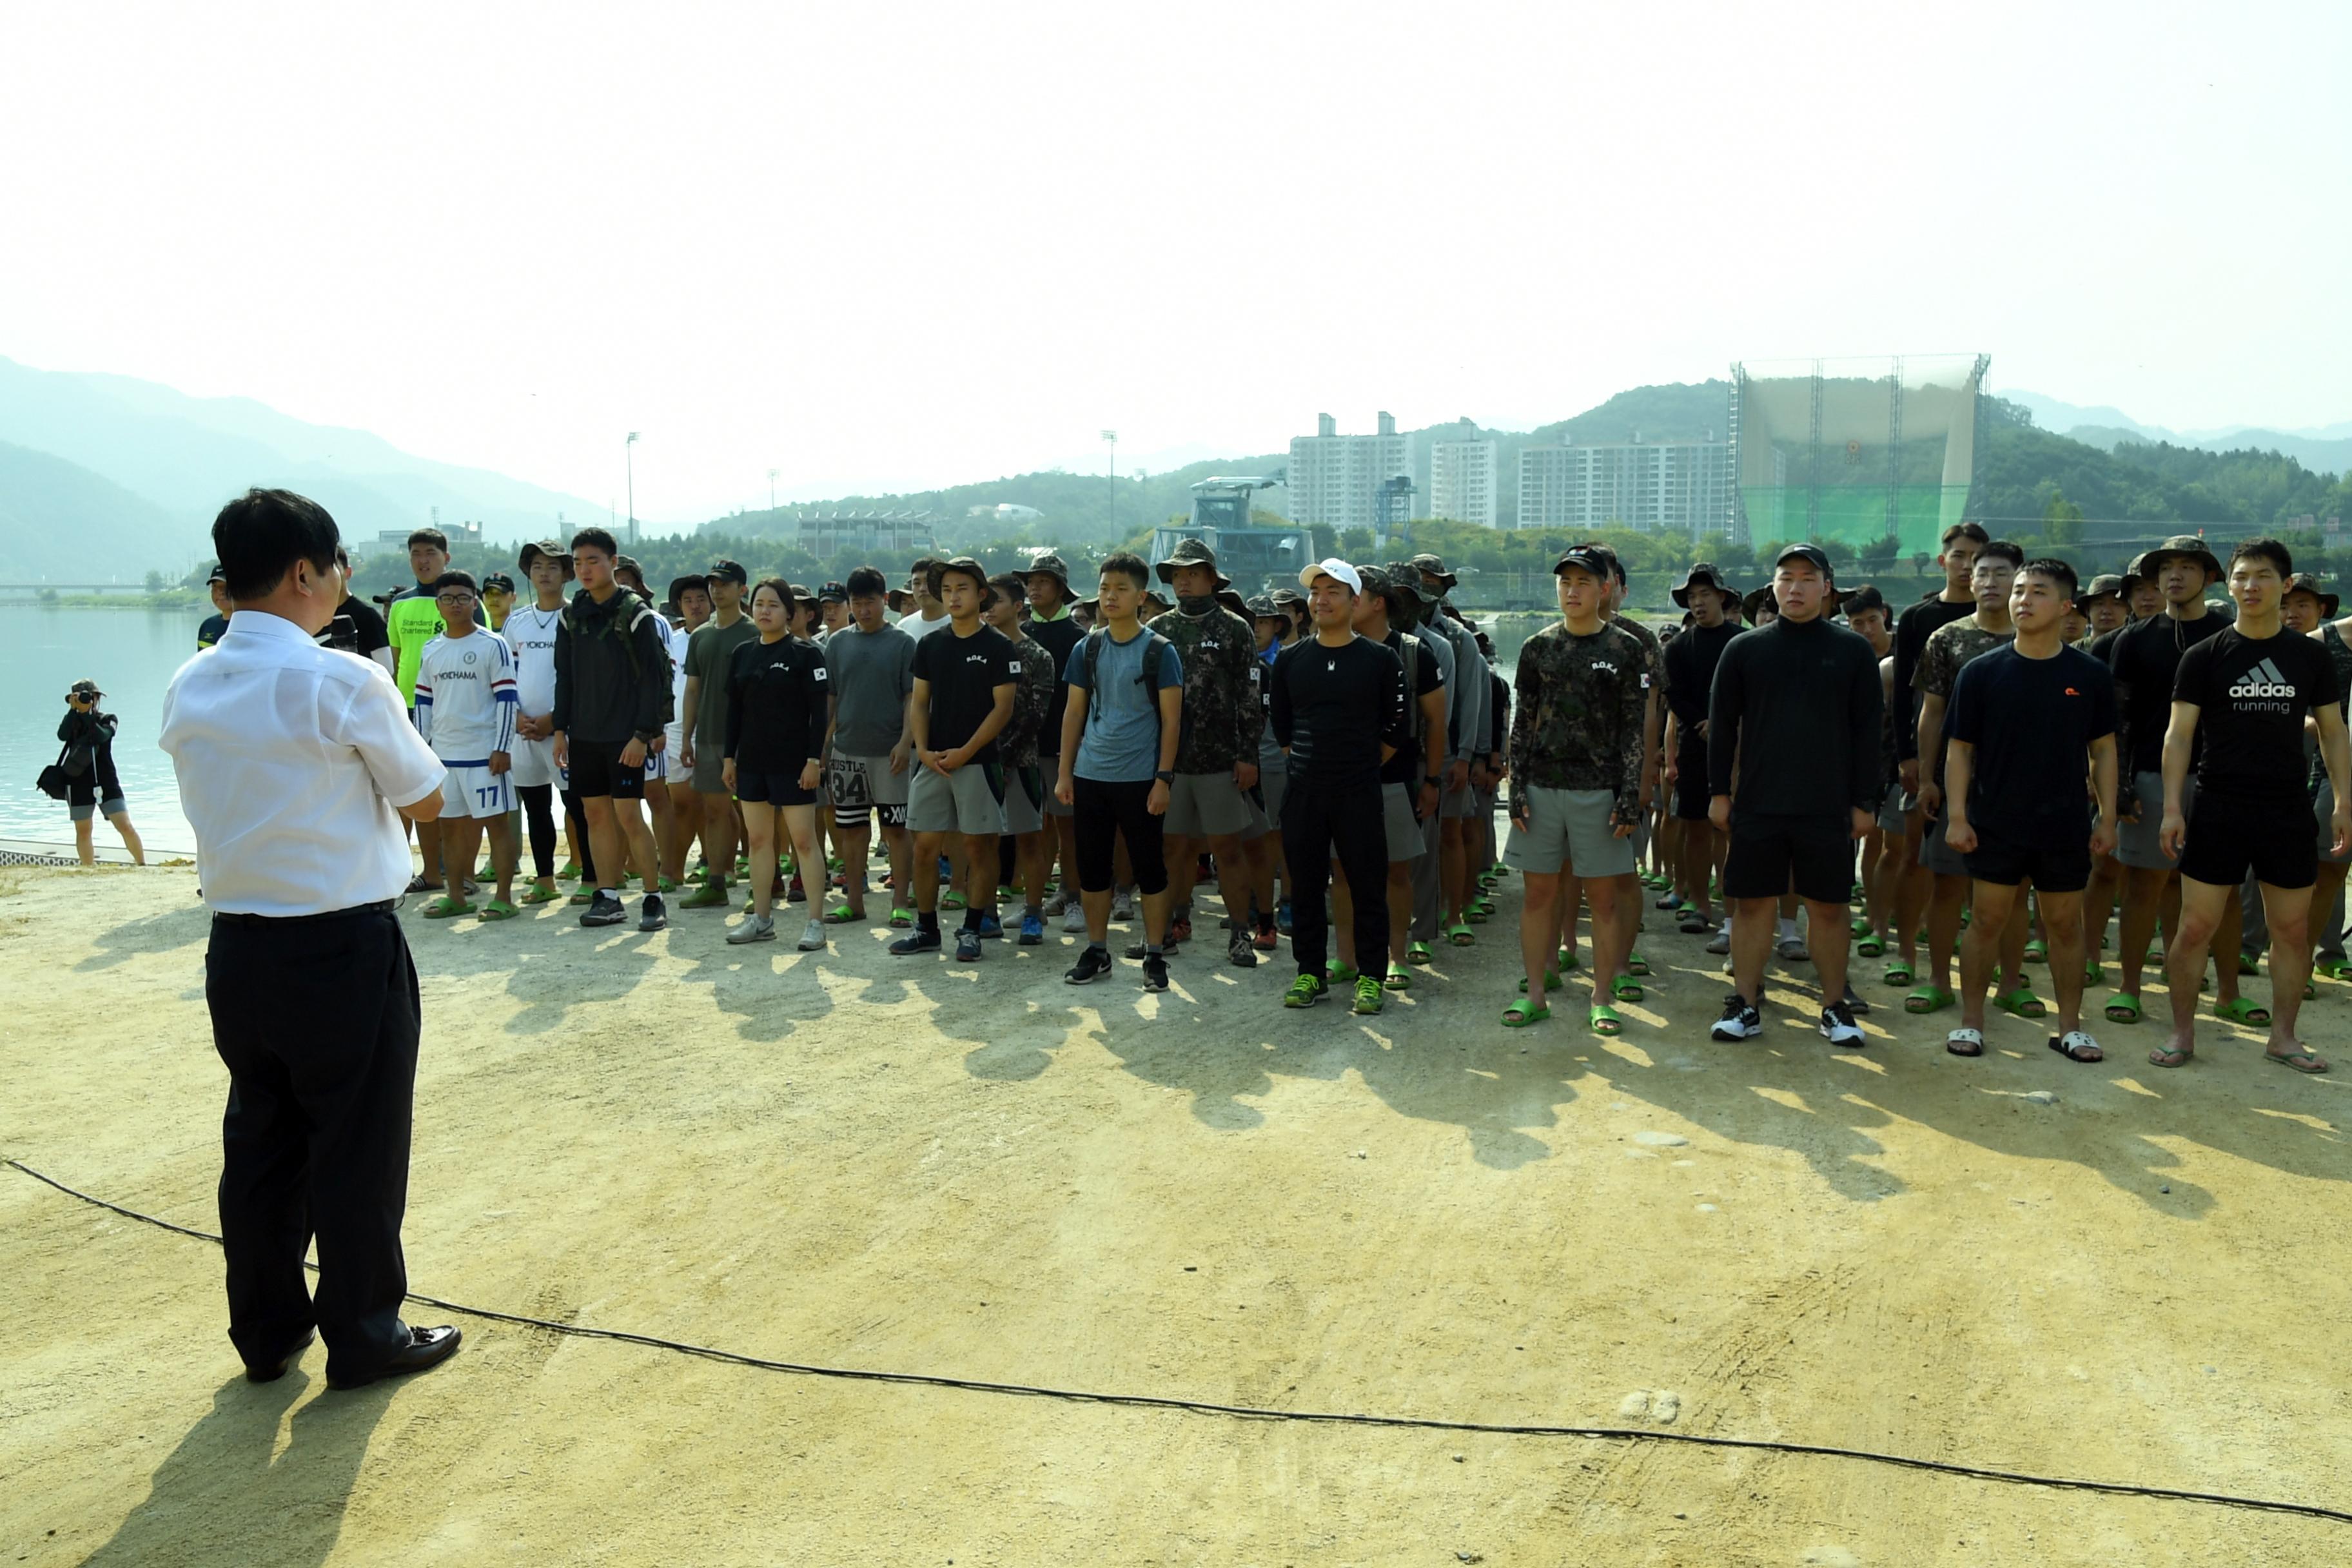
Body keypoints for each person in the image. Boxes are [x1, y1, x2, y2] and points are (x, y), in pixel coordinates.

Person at [158, 487, 461, 1391]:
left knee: (263, 1142)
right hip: (341, 946)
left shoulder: (191, 679)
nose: (339, 583)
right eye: (334, 568)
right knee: (356, 1145)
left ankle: (267, 1331)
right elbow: (426, 796)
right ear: (305, 573)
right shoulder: (340, 678)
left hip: (239, 948)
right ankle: (365, 1334)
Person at [2151, 538, 2351, 1073]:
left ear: (2285, 586)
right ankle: (2182, 1032)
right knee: (2196, 927)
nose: (2251, 586)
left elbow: (2333, 732)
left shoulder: (2309, 655)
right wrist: (2173, 807)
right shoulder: (2205, 655)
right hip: (2218, 805)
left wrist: (2343, 804)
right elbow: (2178, 736)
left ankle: (2284, 1037)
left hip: (2287, 808)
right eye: (2242, 576)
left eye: (2263, 576)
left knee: (2289, 930)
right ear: (2230, 584)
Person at [1940, 560, 2119, 1063]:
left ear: (2065, 607)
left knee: (2064, 926)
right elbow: (1959, 749)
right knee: (1987, 921)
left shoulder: (2088, 675)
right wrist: (1958, 814)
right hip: (1996, 821)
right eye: (2018, 591)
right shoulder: (1981, 673)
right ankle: (1971, 1022)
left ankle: (2070, 1027)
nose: (2022, 599)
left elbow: (2103, 749)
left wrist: (2105, 817)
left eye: (2037, 592)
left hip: (2063, 824)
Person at [1707, 544, 1883, 1047]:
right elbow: (1722, 728)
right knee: (1753, 905)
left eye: (1808, 579)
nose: (1796, 588)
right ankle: (1746, 1003)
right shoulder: (1745, 649)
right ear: (1774, 586)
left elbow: (1868, 730)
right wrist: (1720, 792)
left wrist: (1864, 801)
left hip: (1827, 803)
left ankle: (1833, 1006)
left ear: (1827, 587)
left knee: (1828, 907)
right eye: (1787, 578)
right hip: (1759, 801)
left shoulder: (1851, 651)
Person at [1501, 546, 1649, 1032]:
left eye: (1584, 583)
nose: (1572, 591)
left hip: (1599, 793)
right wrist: (1515, 786)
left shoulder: (1624, 650)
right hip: (1542, 788)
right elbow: (1522, 724)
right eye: (1565, 582)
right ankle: (1537, 994)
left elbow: (1633, 729)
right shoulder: (1538, 647)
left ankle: (1601, 997)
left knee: (1603, 900)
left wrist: (1630, 793)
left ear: (1604, 589)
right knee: (1538, 895)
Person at [2103, 536, 2235, 1028]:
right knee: (2143, 886)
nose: (2175, 576)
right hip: (2152, 778)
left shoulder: (2230, 635)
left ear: (2210, 577)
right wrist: (2117, 787)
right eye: (2166, 569)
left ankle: (2228, 992)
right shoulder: (2133, 640)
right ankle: (2130, 987)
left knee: (2219, 887)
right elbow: (2117, 719)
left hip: (2221, 778)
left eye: (2187, 566)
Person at [1270, 560, 1409, 1015]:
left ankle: (1371, 976)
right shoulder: (1291, 659)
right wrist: (1312, 765)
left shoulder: (1380, 659)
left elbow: (1396, 727)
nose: (1321, 600)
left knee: (1369, 886)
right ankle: (1310, 972)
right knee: (1306, 886)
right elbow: (1283, 727)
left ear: (1355, 601)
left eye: (1333, 591)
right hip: (1305, 792)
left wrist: (1358, 766)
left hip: (1359, 793)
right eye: (1315, 592)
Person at [1057, 552, 1185, 990]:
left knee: (1150, 871)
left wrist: (1163, 779)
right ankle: (1097, 951)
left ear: (1141, 597)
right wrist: (1065, 773)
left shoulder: (1159, 651)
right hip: (1092, 775)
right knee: (1092, 871)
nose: (1110, 596)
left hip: (1141, 779)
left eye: (1121, 589)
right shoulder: (1087, 647)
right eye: (1105, 588)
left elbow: (1172, 721)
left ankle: (1154, 955)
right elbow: (1074, 713)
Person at [1910, 540, 2026, 1017]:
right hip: (1958, 785)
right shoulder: (1947, 639)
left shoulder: (2039, 637)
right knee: (1948, 887)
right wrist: (1927, 778)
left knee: (2016, 892)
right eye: (1984, 573)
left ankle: (2012, 982)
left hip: (2022, 787)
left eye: (2004, 574)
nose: (1992, 583)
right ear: (1969, 580)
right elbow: (1931, 713)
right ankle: (1939, 979)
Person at [893, 557, 1018, 961]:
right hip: (933, 762)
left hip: (979, 763)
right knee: (925, 848)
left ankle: (972, 927)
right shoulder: (930, 644)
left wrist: (965, 752)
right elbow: (919, 701)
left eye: (961, 588)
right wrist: (924, 751)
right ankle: (927, 928)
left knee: (980, 850)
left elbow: (1003, 709)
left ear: (982, 594)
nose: (953, 596)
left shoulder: (999, 646)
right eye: (946, 589)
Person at [1329, 567, 1445, 997]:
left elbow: (1436, 724)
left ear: (1378, 602)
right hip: (1339, 783)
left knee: (1397, 873)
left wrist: (1432, 779)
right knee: (1341, 873)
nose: (1346, 600)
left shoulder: (1414, 654)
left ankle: (1397, 954)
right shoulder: (1331, 648)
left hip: (1395, 780)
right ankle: (1346, 955)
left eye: (1354, 593)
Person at [1146, 540, 1264, 966]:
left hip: (1221, 759)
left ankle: (1239, 934)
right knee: (1173, 850)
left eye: (1193, 572)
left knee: (1228, 850)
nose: (1183, 579)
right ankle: (1172, 925)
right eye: (1177, 573)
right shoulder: (1157, 629)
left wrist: (1247, 753)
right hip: (1170, 765)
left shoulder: (1235, 628)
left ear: (1212, 578)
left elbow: (1250, 696)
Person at [551, 527, 672, 931]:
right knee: (594, 815)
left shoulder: (635, 612)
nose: (585, 570)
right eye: (578, 562)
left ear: (613, 563)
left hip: (625, 737)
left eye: (593, 561)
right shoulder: (571, 615)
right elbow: (563, 677)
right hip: (584, 735)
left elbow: (654, 679)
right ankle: (608, 896)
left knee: (629, 816)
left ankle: (653, 897)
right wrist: (559, 730)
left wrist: (642, 734)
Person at [1888, 522, 1989, 990]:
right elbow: (1905, 699)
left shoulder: (2005, 616)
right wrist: (1908, 757)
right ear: (1942, 560)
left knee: (1978, 872)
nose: (1968, 566)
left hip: (1988, 765)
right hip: (1930, 758)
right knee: (1916, 858)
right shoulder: (1918, 618)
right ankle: (1907, 952)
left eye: (1977, 558)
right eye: (1960, 555)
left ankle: (1977, 960)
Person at [719, 579, 832, 949]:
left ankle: (815, 921)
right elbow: (733, 712)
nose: (764, 611)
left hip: (794, 764)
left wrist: (814, 760)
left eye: (773, 605)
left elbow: (820, 714)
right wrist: (728, 758)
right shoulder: (742, 654)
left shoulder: (806, 654)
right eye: (759, 604)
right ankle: (762, 918)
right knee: (759, 840)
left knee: (803, 841)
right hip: (752, 762)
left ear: (790, 612)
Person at [410, 571, 520, 920]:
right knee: (450, 829)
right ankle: (456, 896)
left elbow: (507, 699)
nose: (455, 604)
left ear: (474, 602)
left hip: (484, 756)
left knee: (497, 827)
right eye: (447, 598)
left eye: (462, 598)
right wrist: (421, 751)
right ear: (438, 605)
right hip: (445, 757)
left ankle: (503, 898)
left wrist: (502, 747)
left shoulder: (492, 644)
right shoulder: (432, 648)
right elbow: (424, 702)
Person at [823, 565, 919, 926]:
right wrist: (824, 746)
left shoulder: (902, 643)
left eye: (871, 602)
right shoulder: (837, 642)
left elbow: (912, 697)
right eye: (857, 602)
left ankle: (900, 902)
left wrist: (905, 741)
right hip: (847, 751)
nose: (864, 609)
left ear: (885, 602)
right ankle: (854, 901)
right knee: (852, 829)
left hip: (890, 751)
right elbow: (831, 698)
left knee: (896, 829)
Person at [1411, 553, 1491, 951]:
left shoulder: (1457, 638)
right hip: (1411, 750)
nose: (1426, 587)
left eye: (1433, 581)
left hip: (1450, 748)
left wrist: (1468, 755)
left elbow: (1472, 699)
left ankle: (1455, 910)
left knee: (1452, 831)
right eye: (1419, 580)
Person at [1662, 564, 1741, 946]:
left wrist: (1724, 725)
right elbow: (1673, 695)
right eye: (1691, 597)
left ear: (1721, 598)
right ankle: (1700, 904)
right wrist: (1702, 723)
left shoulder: (1742, 641)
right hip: (1694, 743)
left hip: (1738, 746)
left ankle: (1733, 911)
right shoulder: (1678, 647)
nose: (1698, 603)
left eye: (1705, 595)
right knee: (1694, 828)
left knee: (1728, 828)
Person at [680, 560, 760, 911]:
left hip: (750, 737)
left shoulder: (756, 632)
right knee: (714, 811)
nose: (716, 590)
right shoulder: (700, 636)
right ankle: (716, 881)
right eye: (713, 583)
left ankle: (764, 882)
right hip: (710, 735)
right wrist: (686, 736)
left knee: (759, 812)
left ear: (742, 588)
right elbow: (692, 690)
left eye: (724, 584)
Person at [986, 573, 1059, 944]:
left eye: (996, 601)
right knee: (983, 841)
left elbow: (1035, 715)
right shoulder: (975, 648)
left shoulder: (1036, 656)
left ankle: (1033, 912)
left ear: (1018, 606)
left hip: (1022, 762)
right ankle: (985, 911)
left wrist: (1005, 758)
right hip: (978, 761)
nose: (988, 608)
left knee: (1029, 839)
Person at [502, 541, 572, 905]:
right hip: (524, 731)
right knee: (536, 808)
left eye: (553, 567)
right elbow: (507, 675)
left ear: (567, 574)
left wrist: (554, 721)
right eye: (538, 567)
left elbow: (583, 680)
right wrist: (516, 717)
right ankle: (545, 878)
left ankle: (593, 878)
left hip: (564, 731)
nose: (544, 574)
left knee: (577, 806)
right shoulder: (517, 622)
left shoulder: (576, 618)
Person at [385, 527, 453, 894]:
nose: (422, 561)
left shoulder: (459, 600)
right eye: (415, 554)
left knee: (447, 792)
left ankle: (451, 868)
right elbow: (396, 661)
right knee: (405, 791)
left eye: (430, 553)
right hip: (408, 708)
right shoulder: (400, 604)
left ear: (446, 557)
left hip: (449, 708)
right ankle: (404, 869)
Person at [1023, 553, 1087, 927]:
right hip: (1025, 750)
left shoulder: (1078, 638)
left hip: (1064, 748)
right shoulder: (1019, 634)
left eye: (1043, 581)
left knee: (1068, 827)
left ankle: (1074, 896)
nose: (1034, 588)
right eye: (1031, 582)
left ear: (1061, 589)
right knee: (1036, 827)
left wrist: (1075, 746)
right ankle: (1038, 900)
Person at [1245, 594, 1297, 947]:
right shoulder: (1239, 661)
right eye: (1252, 621)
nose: (1256, 628)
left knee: (1282, 836)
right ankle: (1253, 902)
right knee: (1248, 838)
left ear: (1278, 626)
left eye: (1263, 621)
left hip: (1280, 762)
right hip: (1246, 761)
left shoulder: (1290, 662)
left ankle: (1288, 904)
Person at [57, 680, 145, 865]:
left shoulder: (108, 719)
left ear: (96, 698)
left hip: (106, 780)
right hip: (77, 781)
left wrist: (87, 715)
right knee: (83, 830)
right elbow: (62, 735)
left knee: (125, 825)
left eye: (89, 697)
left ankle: (142, 865)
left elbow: (102, 736)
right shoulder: (72, 721)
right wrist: (73, 712)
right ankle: (88, 870)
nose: (88, 701)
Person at [197, 565, 234, 649]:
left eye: (226, 586)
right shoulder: (207, 626)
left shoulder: (248, 626)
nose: (221, 592)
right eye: (215, 586)